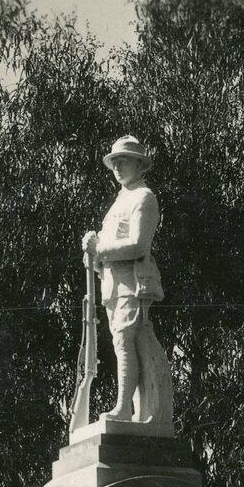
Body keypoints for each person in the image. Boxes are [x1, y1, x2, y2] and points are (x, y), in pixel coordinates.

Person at [83, 135, 174, 427]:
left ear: (139, 164)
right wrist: (93, 248)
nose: (118, 167)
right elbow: (110, 242)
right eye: (115, 162)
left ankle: (125, 409)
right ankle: (132, 408)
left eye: (124, 161)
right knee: (122, 343)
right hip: (112, 284)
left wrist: (100, 249)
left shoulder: (144, 197)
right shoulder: (121, 200)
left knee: (125, 342)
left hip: (133, 284)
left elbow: (138, 245)